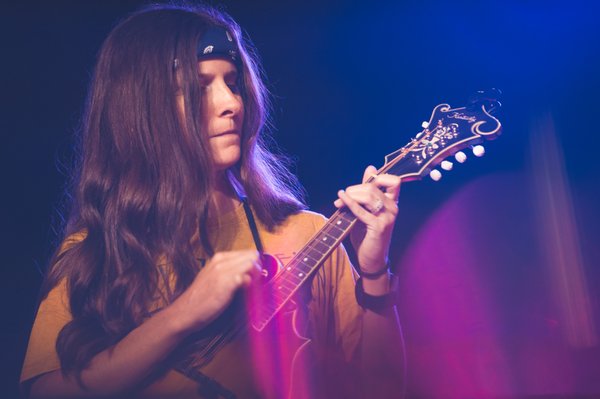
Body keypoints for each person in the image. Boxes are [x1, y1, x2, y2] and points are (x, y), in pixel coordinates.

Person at [20, 3, 404, 398]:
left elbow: (383, 390)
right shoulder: (97, 252)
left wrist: (375, 273)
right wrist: (185, 312)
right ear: (144, 111)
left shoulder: (305, 234)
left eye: (233, 82)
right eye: (201, 88)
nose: (232, 103)